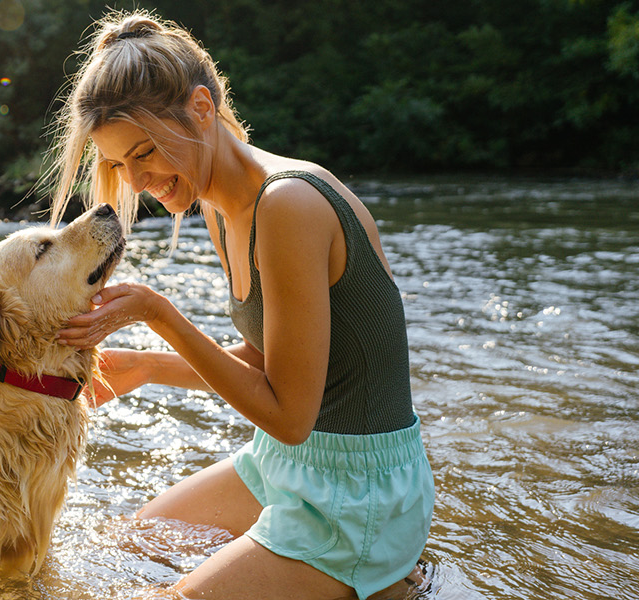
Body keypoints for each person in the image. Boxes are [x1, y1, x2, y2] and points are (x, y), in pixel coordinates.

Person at [48, 10, 435, 600]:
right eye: (118, 164)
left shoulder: (288, 205)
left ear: (202, 108)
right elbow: (268, 358)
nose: (135, 180)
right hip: (286, 466)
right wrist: (151, 369)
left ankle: (381, 573)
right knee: (126, 542)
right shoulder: (220, 203)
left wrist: (159, 314)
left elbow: (290, 414)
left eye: (145, 151)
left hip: (359, 492)